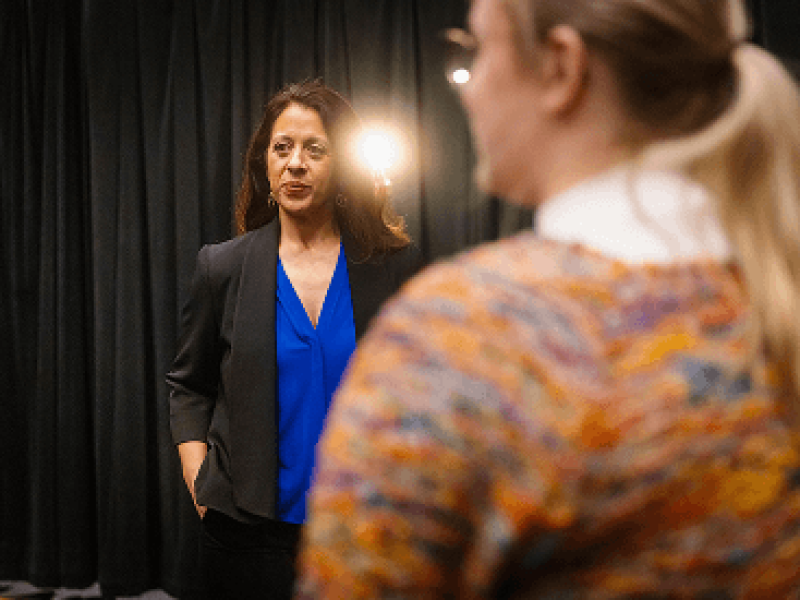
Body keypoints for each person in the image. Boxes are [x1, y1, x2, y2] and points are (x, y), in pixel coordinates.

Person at [295, 0, 800, 597]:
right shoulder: (773, 295)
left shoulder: (461, 339)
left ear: (562, 67)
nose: (470, 87)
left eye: (477, 50)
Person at [166, 79, 421, 599]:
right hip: (244, 534)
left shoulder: (386, 269)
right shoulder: (223, 266)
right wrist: (201, 485)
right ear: (265, 162)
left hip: (362, 532)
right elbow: (189, 386)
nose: (296, 163)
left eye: (315, 148)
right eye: (282, 148)